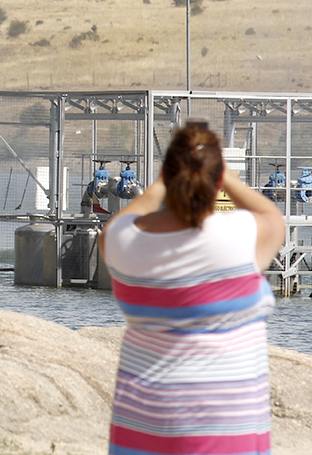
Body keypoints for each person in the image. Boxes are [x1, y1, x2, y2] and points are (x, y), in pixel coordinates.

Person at [99, 121, 285, 455]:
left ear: (167, 176)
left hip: (139, 434)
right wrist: (225, 177)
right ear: (217, 179)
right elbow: (271, 216)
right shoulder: (240, 237)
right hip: (227, 438)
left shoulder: (123, 241)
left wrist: (159, 184)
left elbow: (114, 225)